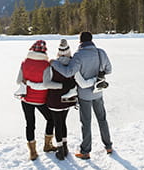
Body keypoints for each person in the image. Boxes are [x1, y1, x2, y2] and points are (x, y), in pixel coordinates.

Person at [26, 39, 97, 160]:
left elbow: (47, 83)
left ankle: (60, 150)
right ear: (69, 52)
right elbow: (78, 81)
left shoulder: (52, 65)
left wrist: (59, 86)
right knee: (63, 122)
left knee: (57, 124)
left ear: (58, 53)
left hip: (54, 100)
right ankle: (65, 146)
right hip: (68, 101)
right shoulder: (74, 65)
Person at [50, 32, 113, 160]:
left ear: (80, 41)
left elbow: (68, 72)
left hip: (84, 95)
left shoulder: (78, 56)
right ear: (91, 40)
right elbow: (109, 70)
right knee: (102, 119)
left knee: (86, 122)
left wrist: (54, 63)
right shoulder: (101, 52)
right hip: (98, 92)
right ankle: (108, 146)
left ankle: (85, 151)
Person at [16, 40, 57, 161]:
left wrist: (28, 83)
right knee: (51, 119)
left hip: (26, 98)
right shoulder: (46, 66)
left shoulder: (24, 63)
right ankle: (47, 145)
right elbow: (46, 84)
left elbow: (18, 81)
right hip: (41, 100)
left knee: (30, 124)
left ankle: (32, 152)